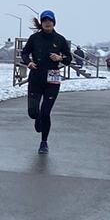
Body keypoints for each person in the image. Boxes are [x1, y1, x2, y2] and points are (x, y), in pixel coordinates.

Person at [19, 11, 72, 154]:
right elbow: (24, 53)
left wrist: (59, 58)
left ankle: (44, 143)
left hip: (52, 79)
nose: (47, 23)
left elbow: (68, 59)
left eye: (50, 21)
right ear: (41, 23)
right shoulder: (34, 38)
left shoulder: (60, 39)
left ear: (54, 22)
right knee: (33, 112)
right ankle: (38, 118)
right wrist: (29, 62)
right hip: (36, 77)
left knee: (45, 111)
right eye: (44, 21)